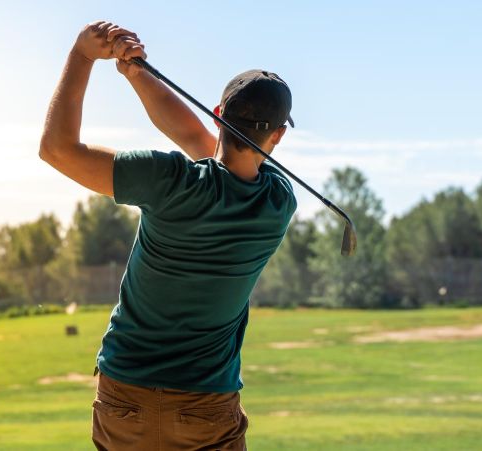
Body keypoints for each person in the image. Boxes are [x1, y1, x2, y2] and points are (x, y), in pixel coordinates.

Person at [40, 20, 297, 451]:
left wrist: (83, 56)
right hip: (207, 406)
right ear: (278, 134)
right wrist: (138, 75)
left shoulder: (168, 180)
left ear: (219, 114)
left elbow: (58, 150)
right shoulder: (278, 202)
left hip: (125, 394)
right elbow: (196, 139)